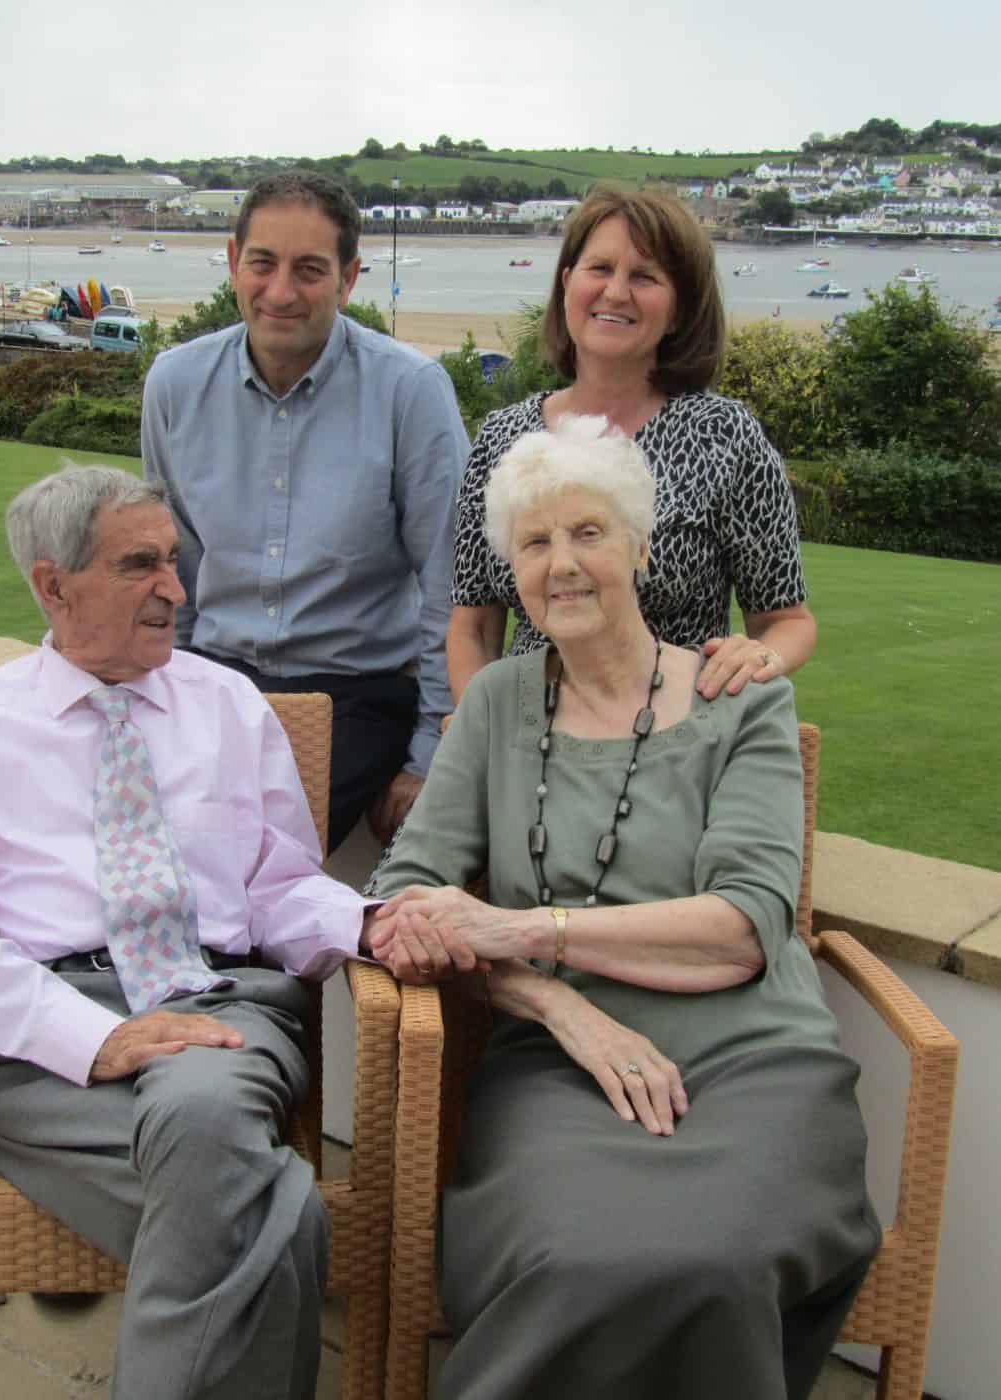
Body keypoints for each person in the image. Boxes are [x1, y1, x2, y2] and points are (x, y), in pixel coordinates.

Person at [367, 417, 877, 1400]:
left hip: (752, 1056)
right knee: (577, 1258)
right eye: (532, 542)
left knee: (711, 1262)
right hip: (556, 1067)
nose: (560, 564)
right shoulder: (495, 705)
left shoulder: (742, 699)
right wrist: (557, 1003)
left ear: (641, 546)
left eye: (587, 533)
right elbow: (398, 900)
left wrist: (520, 928)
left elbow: (740, 927)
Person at [0, 465, 378, 1400]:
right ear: (53, 586)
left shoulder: (227, 704)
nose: (176, 590)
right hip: (26, 1039)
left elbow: (282, 886)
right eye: (141, 564)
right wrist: (91, 1037)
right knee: (276, 1209)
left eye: (175, 563)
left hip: (213, 1006)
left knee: (205, 1112)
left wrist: (375, 923)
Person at [141, 170, 469, 849]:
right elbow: (172, 571)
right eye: (262, 263)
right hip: (215, 683)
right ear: (234, 263)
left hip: (352, 696)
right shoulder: (174, 385)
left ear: (349, 279)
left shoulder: (410, 392)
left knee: (248, 851)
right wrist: (158, 704)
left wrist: (430, 758)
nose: (281, 292)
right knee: (117, 829)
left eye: (310, 270)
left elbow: (451, 587)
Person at [448, 187, 816, 706]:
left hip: (671, 736)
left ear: (680, 308)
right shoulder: (503, 439)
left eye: (644, 276)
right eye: (599, 268)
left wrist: (760, 656)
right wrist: (478, 729)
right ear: (567, 281)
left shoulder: (727, 437)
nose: (616, 293)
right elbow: (473, 625)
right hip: (528, 736)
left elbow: (786, 621)